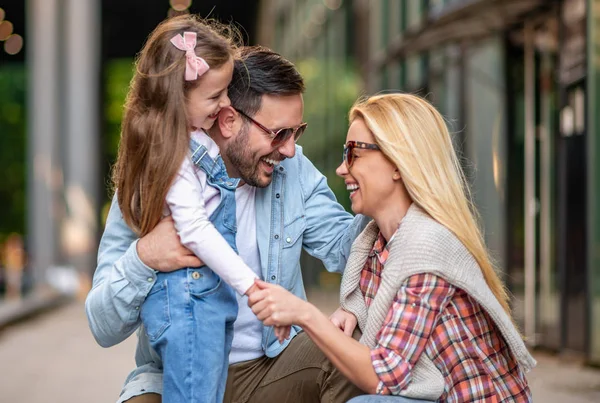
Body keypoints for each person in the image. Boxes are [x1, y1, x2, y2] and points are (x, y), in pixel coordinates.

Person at [86, 45, 369, 403]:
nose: (290, 150)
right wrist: (144, 256)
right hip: (172, 371)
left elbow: (348, 250)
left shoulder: (293, 171)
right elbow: (102, 325)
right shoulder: (152, 180)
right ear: (228, 119)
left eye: (297, 132)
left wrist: (384, 195)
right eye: (279, 133)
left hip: (271, 367)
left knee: (351, 353)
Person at [248, 93, 536, 402]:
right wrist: (352, 310)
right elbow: (379, 299)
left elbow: (385, 375)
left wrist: (305, 314)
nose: (341, 170)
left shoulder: (427, 246)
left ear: (398, 163)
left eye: (352, 154)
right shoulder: (378, 241)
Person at [109, 15, 292, 402]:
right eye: (215, 96)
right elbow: (194, 228)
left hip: (204, 299)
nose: (226, 103)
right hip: (191, 301)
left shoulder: (190, 140)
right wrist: (251, 286)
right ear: (176, 98)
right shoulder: (174, 157)